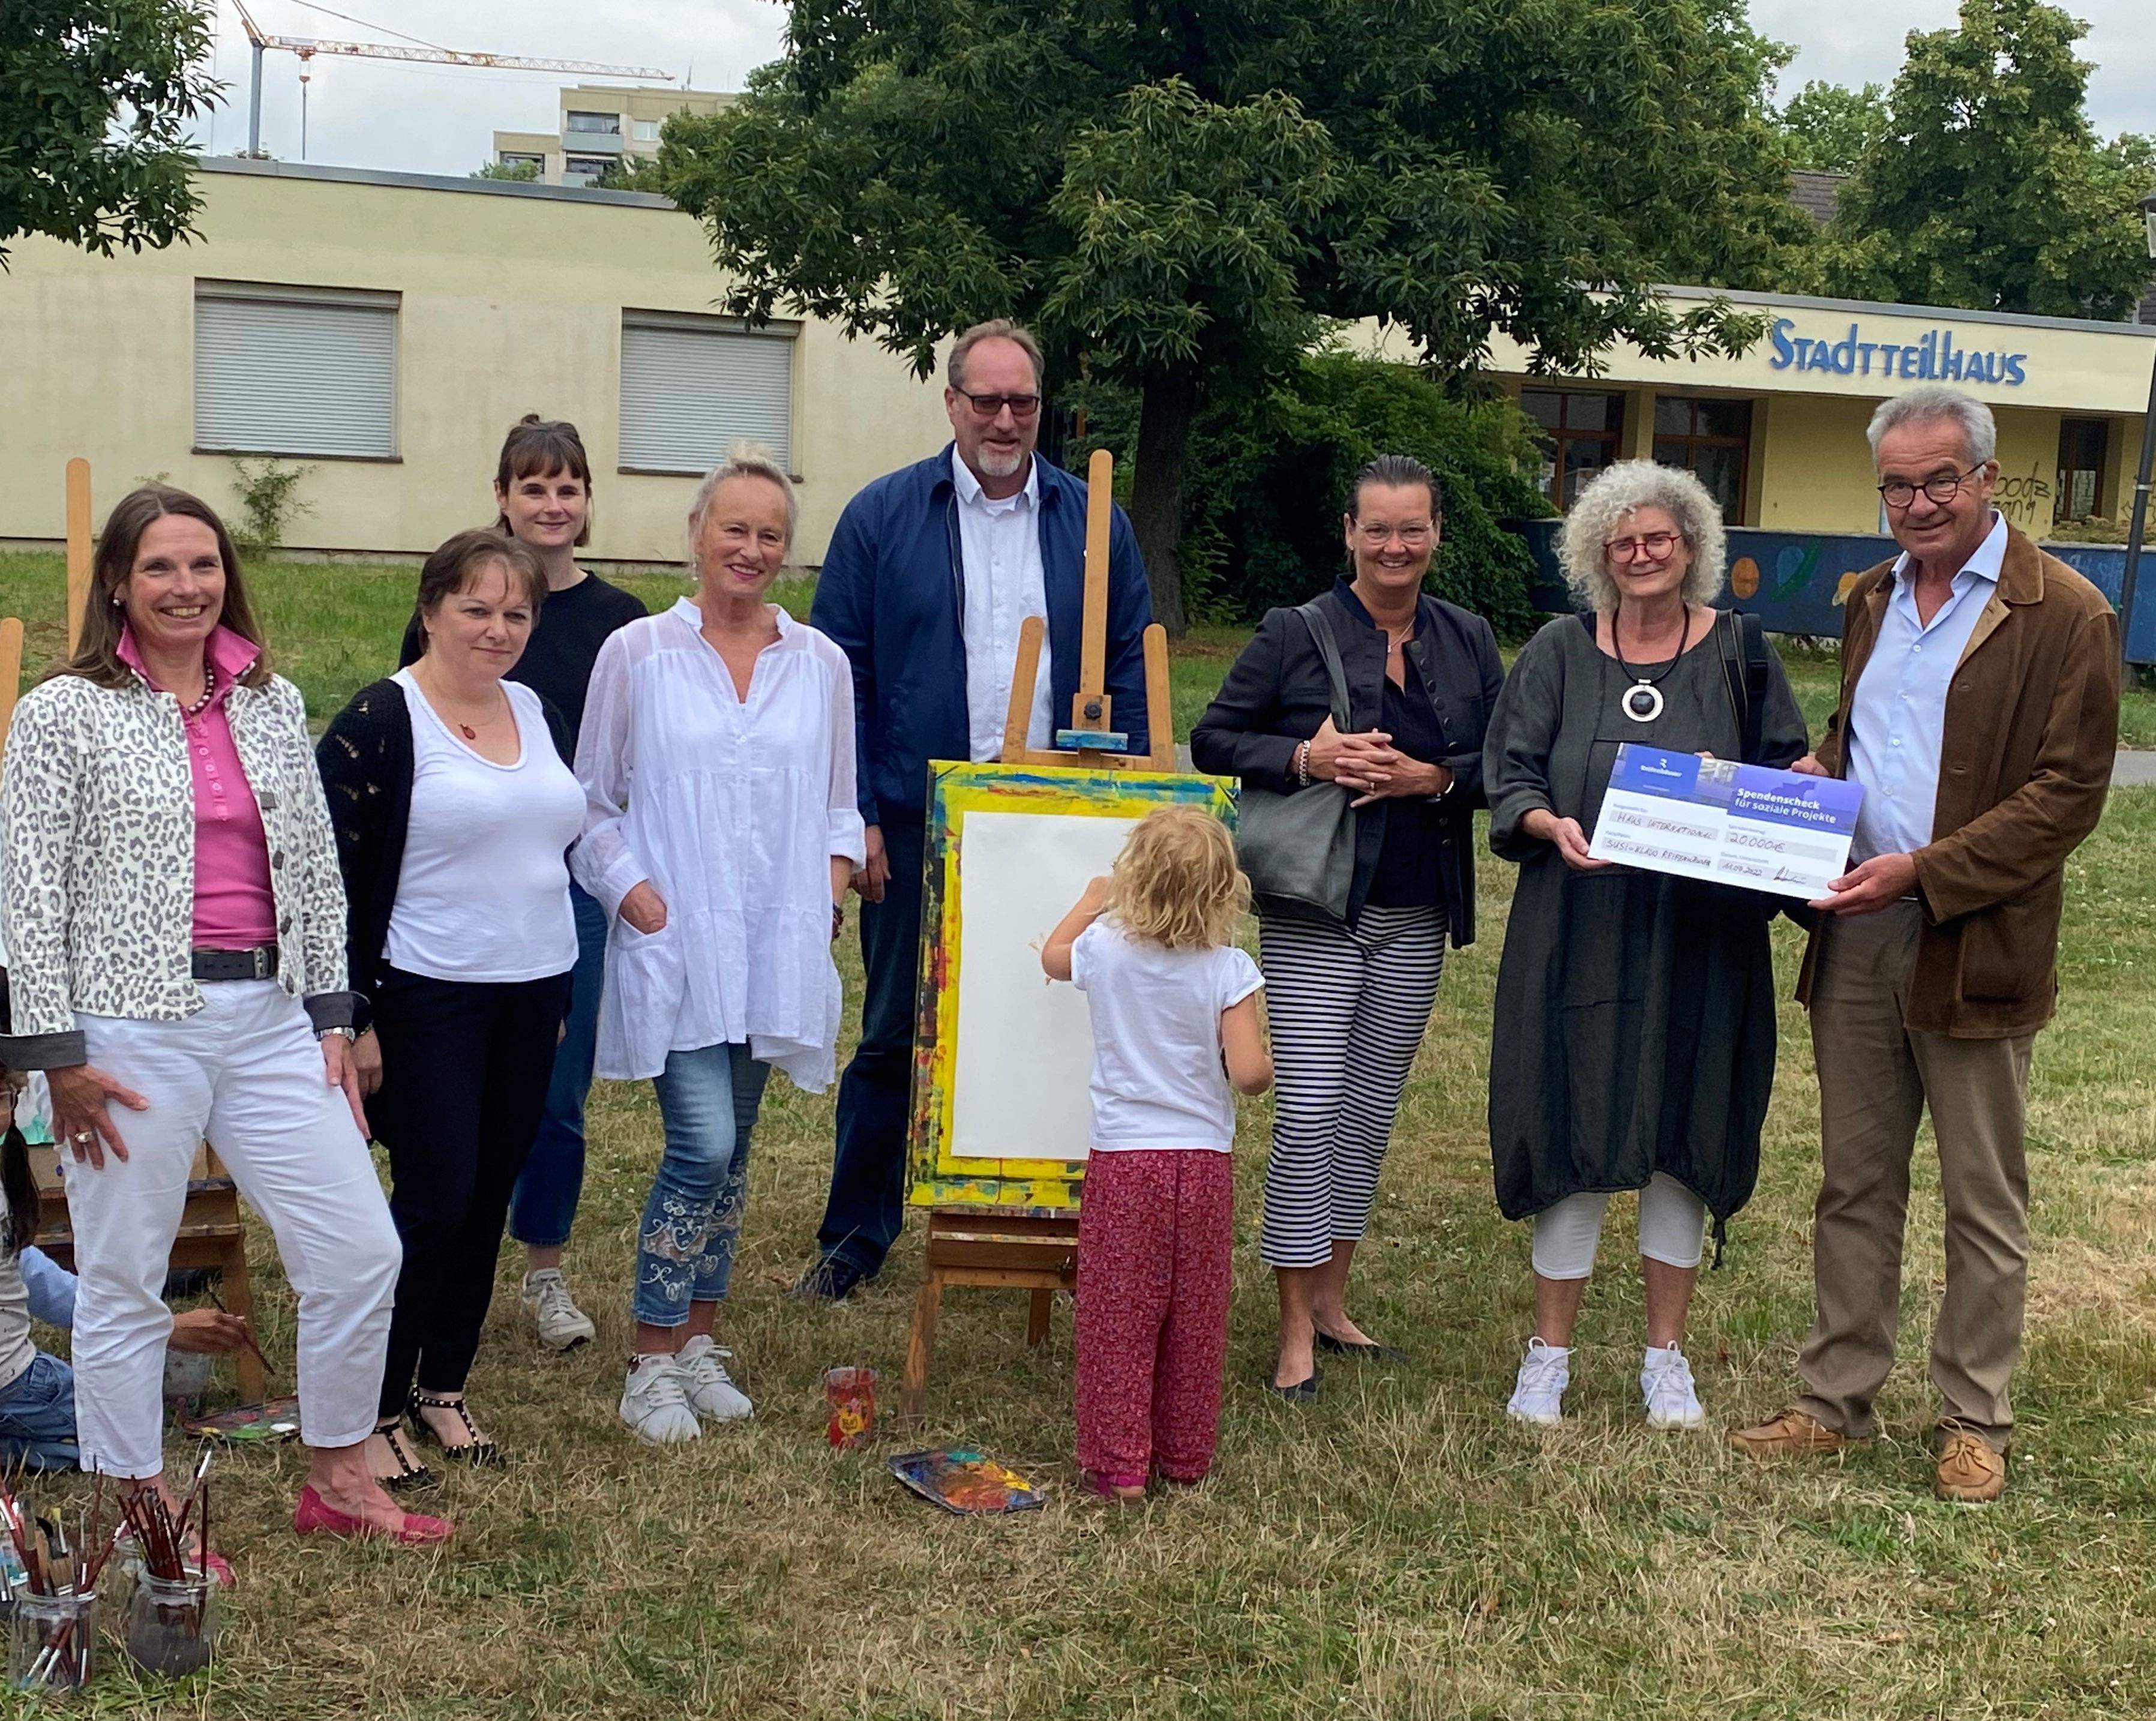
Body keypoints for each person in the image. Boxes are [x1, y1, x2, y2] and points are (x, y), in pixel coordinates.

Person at [0, 484, 446, 1546]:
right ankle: (143, 1511)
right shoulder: (64, 711)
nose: (185, 585)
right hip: (128, 1025)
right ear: (118, 583)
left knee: (359, 1249)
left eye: (203, 564)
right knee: (126, 1275)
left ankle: (338, 1476)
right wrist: (56, 1057)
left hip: (273, 1014)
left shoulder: (269, 701)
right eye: (159, 566)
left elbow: (317, 872)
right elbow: (26, 888)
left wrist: (335, 1013)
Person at [1732, 386, 2119, 1501]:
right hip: (1858, 927)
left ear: (1986, 478)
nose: (1916, 503)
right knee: (1853, 1181)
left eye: (1938, 479)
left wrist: (1927, 870)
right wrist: (1817, 774)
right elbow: (1868, 736)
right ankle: (1832, 1399)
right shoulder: (1872, 596)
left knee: (1980, 1196)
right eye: (1895, 485)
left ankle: (1974, 1418)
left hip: (1975, 938)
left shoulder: (2066, 612)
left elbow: (2065, 797)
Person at [804, 318, 1153, 1300]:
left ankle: (1060, 1225)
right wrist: (858, 814)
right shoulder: (882, 515)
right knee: (892, 1035)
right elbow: (839, 675)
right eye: (987, 400)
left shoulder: (1093, 521)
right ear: (951, 401)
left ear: (1044, 407)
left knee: (1054, 1017)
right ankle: (856, 1235)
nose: (1004, 419)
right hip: (919, 818)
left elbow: (1130, 658)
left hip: (1054, 818)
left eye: (1022, 402)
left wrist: (1124, 806)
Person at [1482, 460, 1806, 1431]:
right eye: (1621, 541)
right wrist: (1544, 823)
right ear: (1596, 553)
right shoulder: (1557, 649)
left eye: (1657, 537)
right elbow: (1510, 770)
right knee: (1571, 1117)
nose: (1639, 554)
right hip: (1575, 926)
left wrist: (1740, 786)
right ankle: (1548, 1355)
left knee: (1683, 1125)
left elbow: (1788, 778)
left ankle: (1666, 1360)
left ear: (1692, 546)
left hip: (1698, 935)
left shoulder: (1742, 653)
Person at [1191, 455, 1501, 1399]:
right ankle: (1292, 1331)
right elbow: (1212, 738)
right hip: (1315, 911)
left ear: (1435, 533)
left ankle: (1331, 1302)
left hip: (1417, 912)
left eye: (1411, 529)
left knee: (1365, 1116)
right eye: (1377, 529)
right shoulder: (1294, 631)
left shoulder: (1467, 637)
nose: (1394, 547)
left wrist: (1434, 778)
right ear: (1348, 533)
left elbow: (1507, 761)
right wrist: (1307, 757)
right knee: (1309, 1116)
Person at [575, 448, 864, 1442]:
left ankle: (698, 1339)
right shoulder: (639, 654)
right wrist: (634, 893)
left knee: (736, 1153)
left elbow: (838, 805)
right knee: (700, 1143)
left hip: (774, 945)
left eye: (769, 534)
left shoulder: (819, 664)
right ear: (697, 535)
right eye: (733, 528)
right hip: (679, 944)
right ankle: (648, 1358)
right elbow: (590, 801)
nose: (750, 548)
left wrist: (826, 893)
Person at [322, 529, 585, 1489]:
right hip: (426, 995)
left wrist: (555, 992)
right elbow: (330, 879)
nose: (497, 629)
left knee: (487, 1195)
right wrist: (354, 1016)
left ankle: (444, 1388)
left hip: (533, 992)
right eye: (475, 608)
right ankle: (378, 1408)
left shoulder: (536, 710)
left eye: (515, 612)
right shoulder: (380, 721)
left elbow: (550, 847)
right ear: (430, 610)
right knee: (435, 1198)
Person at [398, 416, 646, 1353]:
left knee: (555, 1093)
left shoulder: (620, 620)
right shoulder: (456, 603)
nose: (551, 503)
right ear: (502, 496)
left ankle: (545, 1270)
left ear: (586, 501)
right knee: (450, 1103)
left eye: (567, 487)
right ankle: (433, 1262)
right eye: (533, 486)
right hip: (456, 888)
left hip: (568, 883)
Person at [1042, 808, 1271, 1498]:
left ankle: (1118, 1465)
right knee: (1194, 1312)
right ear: (1223, 890)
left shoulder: (1104, 948)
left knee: (1118, 1312)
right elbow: (1249, 1074)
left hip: (1124, 1163)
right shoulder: (1229, 969)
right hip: (1202, 1165)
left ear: (1133, 878)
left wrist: (1090, 898)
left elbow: (1053, 957)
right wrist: (1259, 1062)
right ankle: (1183, 1454)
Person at [0, 1049, 253, 1476]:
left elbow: (26, 1272)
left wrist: (153, 1325)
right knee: (123, 1427)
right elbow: (33, 1277)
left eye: (1, 1096)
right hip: (16, 1381)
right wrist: (162, 1328)